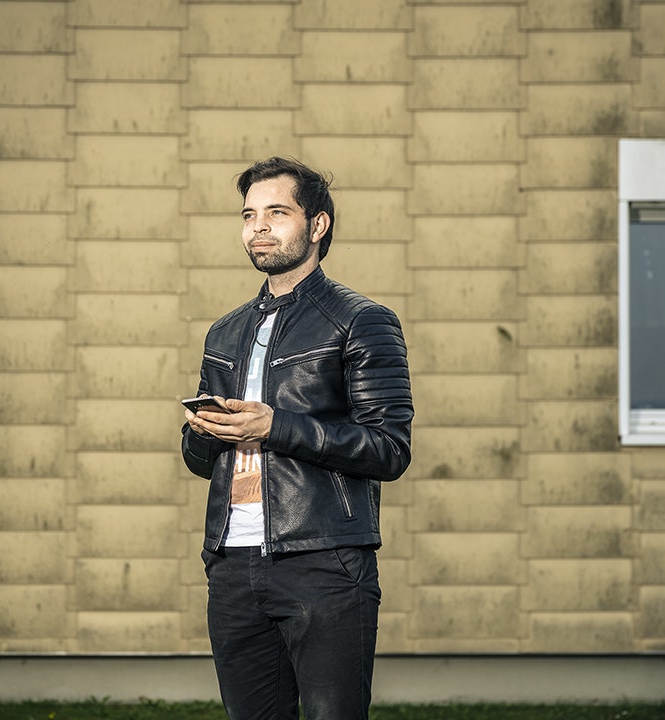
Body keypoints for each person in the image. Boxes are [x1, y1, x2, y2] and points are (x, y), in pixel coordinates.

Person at [181, 156, 414, 720]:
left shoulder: (362, 321)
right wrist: (205, 430)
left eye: (276, 212)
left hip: (325, 561)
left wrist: (274, 426)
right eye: (249, 215)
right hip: (233, 564)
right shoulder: (226, 330)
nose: (258, 226)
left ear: (317, 226)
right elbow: (196, 461)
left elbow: (389, 449)